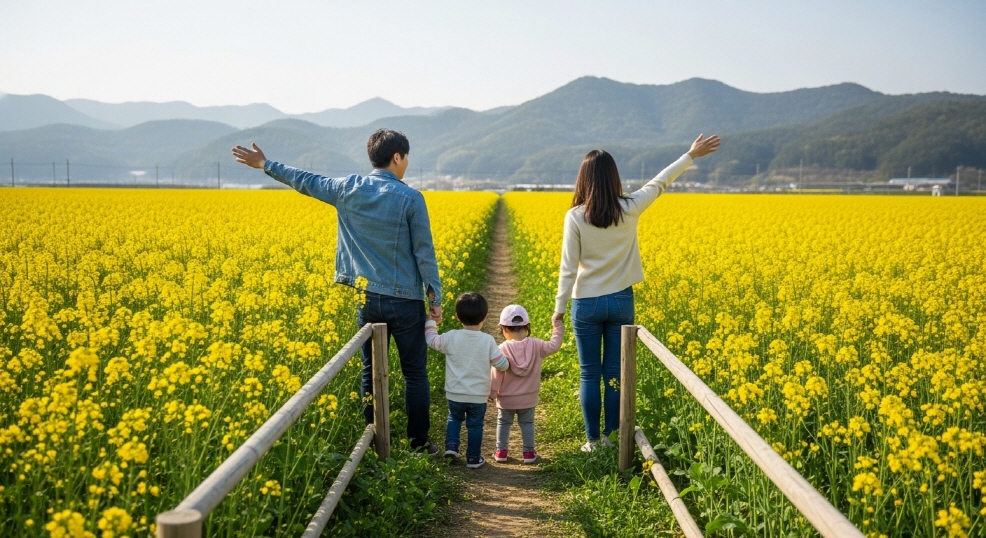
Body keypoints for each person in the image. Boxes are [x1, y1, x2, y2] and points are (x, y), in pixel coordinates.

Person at [231, 129, 443, 454]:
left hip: (367, 298)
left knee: (370, 372)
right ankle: (417, 443)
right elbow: (424, 253)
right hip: (405, 301)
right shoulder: (411, 198)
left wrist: (265, 164)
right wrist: (434, 299)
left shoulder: (346, 188)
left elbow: (303, 180)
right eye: (406, 158)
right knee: (414, 373)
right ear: (398, 157)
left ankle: (374, 442)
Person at [553, 134, 721, 452]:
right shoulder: (629, 208)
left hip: (585, 301)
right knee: (614, 373)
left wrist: (559, 308)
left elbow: (568, 268)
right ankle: (613, 438)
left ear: (583, 180)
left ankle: (592, 442)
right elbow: (659, 183)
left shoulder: (575, 216)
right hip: (620, 300)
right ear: (614, 177)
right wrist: (690, 156)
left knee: (589, 373)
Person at [425, 292, 508, 468]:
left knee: (454, 419)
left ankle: (452, 448)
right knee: (475, 426)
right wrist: (507, 362)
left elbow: (431, 340)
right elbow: (501, 364)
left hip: (455, 393)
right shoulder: (487, 340)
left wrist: (430, 322)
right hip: (478, 396)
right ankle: (473, 458)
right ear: (484, 317)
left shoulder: (451, 336)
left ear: (457, 317)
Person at [490, 304, 564, 464]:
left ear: (504, 329)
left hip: (506, 399)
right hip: (528, 398)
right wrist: (558, 325)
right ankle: (529, 453)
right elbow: (554, 345)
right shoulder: (537, 345)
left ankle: (501, 452)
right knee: (527, 423)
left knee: (503, 423)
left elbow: (497, 372)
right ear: (527, 327)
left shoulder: (501, 348)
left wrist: (492, 392)